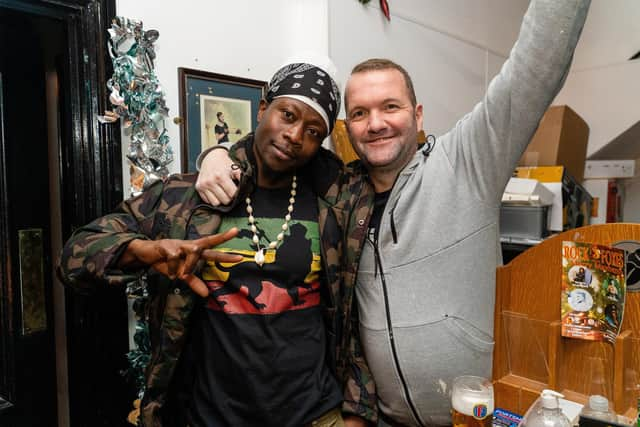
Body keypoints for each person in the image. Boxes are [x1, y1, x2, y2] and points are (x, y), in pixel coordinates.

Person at [196, 1, 592, 425]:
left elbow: (537, 64)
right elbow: (275, 148)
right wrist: (216, 154)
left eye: (391, 107)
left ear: (418, 115)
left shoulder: (468, 162)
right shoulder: (338, 193)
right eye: (361, 113)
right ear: (346, 130)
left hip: (472, 416)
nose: (376, 123)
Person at [58, 61, 375, 426]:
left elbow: (354, 319)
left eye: (313, 130)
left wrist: (357, 415)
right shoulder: (184, 197)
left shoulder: (336, 202)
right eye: (287, 114)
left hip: (315, 414)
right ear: (262, 109)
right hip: (209, 415)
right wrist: (146, 252)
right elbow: (74, 258)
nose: (294, 134)